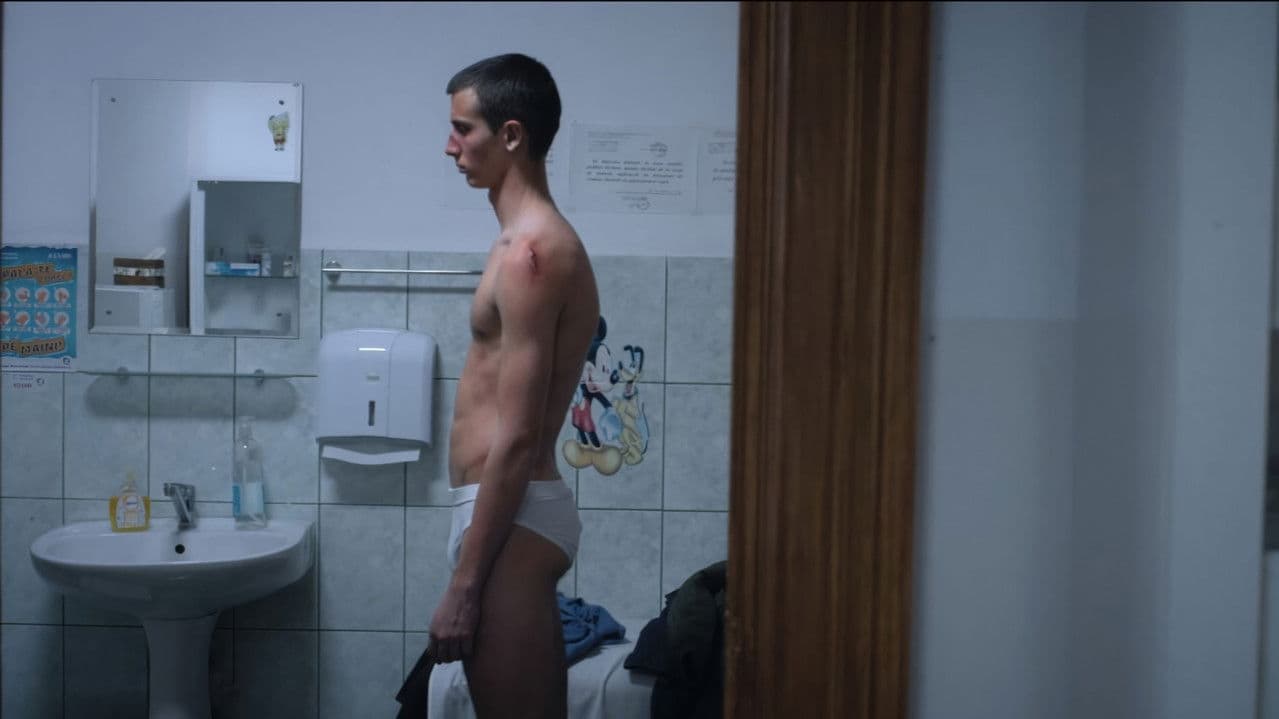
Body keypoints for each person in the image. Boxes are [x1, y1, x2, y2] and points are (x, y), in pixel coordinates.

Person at [427, 53, 599, 718]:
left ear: (511, 135)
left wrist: (466, 584)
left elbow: (520, 432)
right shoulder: (515, 245)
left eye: (462, 129)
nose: (450, 146)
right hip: (499, 513)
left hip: (514, 517)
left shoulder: (533, 253)